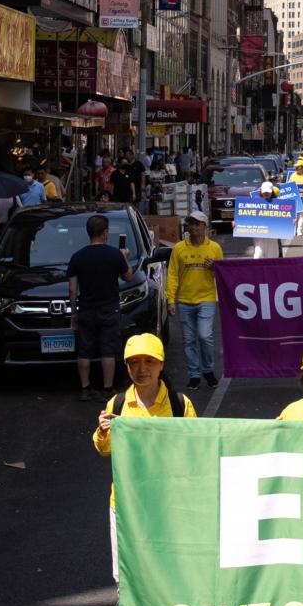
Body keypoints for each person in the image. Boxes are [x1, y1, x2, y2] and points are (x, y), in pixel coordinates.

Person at [93, 333, 196, 582]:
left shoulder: (179, 404)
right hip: (127, 505)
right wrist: (103, 431)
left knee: (170, 572)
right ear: (127, 367)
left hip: (170, 505)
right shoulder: (117, 404)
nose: (142, 369)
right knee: (128, 576)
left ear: (161, 364)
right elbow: (104, 450)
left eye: (149, 362)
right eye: (134, 362)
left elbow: (194, 449)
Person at [67, 214, 134, 401]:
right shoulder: (114, 254)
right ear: (105, 233)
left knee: (84, 349)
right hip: (109, 309)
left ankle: (85, 388)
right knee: (108, 349)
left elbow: (73, 289)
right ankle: (107, 388)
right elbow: (128, 277)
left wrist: (74, 313)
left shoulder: (77, 257)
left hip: (86, 309)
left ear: (88, 233)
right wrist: (125, 257)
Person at [166, 211, 222, 391]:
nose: (193, 227)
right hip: (184, 300)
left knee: (205, 336)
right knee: (188, 340)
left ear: (205, 226)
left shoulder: (214, 248)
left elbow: (223, 274)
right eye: (190, 223)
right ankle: (194, 375)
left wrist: (214, 267)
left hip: (206, 298)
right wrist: (170, 299)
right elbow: (172, 274)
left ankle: (208, 370)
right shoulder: (179, 248)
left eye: (197, 224)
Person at [251, 181, 283, 259]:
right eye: (264, 192)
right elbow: (245, 215)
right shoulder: (254, 202)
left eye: (268, 192)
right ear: (261, 191)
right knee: (258, 256)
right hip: (259, 234)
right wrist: (237, 222)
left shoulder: (279, 203)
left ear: (272, 192)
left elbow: (285, 217)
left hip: (273, 235)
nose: (266, 194)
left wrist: (291, 221)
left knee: (272, 258)